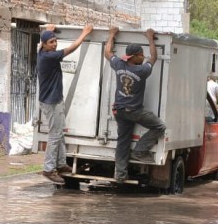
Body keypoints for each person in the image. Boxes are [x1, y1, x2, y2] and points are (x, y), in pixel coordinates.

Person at [105, 27, 166, 184]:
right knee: (159, 126)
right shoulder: (142, 70)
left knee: (123, 142)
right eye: (141, 55)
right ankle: (140, 151)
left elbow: (107, 53)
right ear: (135, 57)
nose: (143, 56)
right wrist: (150, 38)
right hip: (134, 111)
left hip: (119, 110)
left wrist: (111, 35)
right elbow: (154, 57)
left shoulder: (119, 64)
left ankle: (120, 175)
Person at [37, 23, 94, 184]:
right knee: (55, 135)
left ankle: (61, 164)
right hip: (51, 102)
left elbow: (45, 38)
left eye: (55, 41)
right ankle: (48, 169)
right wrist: (84, 33)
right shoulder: (49, 56)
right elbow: (71, 48)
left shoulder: (41, 51)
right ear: (45, 45)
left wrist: (49, 31)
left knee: (59, 133)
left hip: (52, 100)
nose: (54, 44)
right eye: (51, 42)